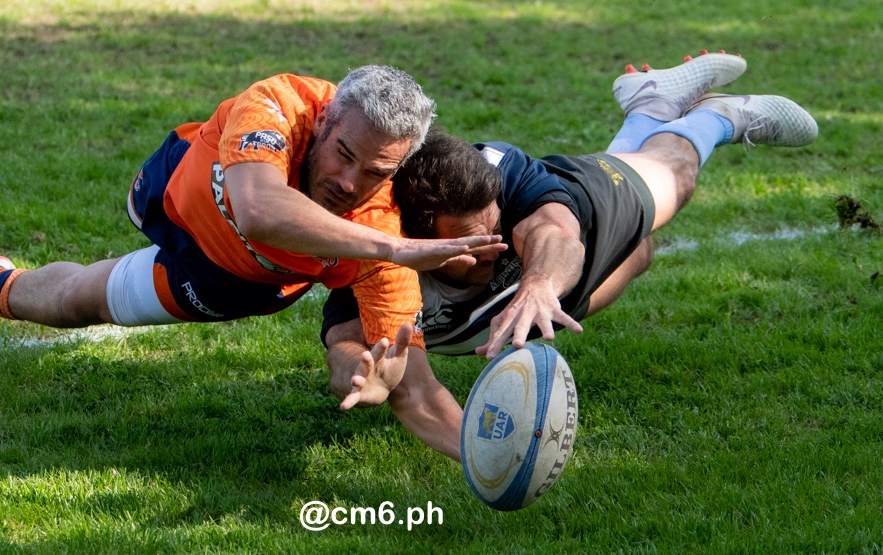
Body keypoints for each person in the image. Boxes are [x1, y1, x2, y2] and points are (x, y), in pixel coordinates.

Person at [321, 51, 819, 458]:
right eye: (472, 248)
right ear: (422, 242)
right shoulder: (375, 265)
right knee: (639, 254)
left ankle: (716, 116)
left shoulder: (504, 177)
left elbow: (558, 236)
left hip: (575, 214)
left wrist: (538, 285)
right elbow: (391, 378)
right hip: (509, 302)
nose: (494, 251)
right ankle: (651, 106)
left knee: (673, 187)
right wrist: (364, 376)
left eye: (496, 233)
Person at [0, 66, 506, 385]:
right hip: (178, 194)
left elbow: (410, 381)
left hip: (232, 279)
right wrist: (396, 249)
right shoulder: (281, 102)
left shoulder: (382, 228)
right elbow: (260, 208)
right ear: (325, 119)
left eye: (373, 172)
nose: (350, 181)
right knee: (153, 213)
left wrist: (478, 459)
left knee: (75, 300)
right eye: (343, 154)